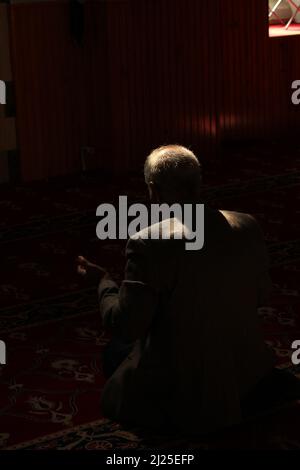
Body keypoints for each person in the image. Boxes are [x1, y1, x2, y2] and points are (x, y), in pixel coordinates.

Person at [77, 145, 281, 435]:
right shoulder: (246, 223)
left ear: (153, 191)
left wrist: (103, 283)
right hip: (246, 374)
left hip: (189, 388)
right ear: (198, 183)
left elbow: (125, 324)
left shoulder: (148, 243)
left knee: (115, 351)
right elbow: (263, 295)